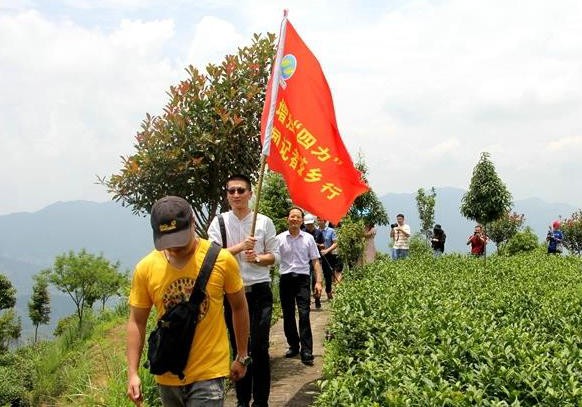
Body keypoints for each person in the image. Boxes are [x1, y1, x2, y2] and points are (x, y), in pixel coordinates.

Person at [127, 196, 250, 407]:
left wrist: (241, 355)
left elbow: (239, 306)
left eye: (180, 238)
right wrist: (133, 373)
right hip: (167, 371)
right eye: (168, 240)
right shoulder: (146, 269)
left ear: (193, 223)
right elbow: (136, 321)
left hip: (209, 372)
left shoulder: (221, 260)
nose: (175, 247)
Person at [207, 174, 279, 407]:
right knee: (240, 347)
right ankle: (241, 400)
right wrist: (241, 247)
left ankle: (260, 401)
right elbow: (213, 256)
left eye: (241, 190)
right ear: (227, 195)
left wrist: (257, 258)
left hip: (258, 291)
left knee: (259, 346)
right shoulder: (219, 222)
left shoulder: (264, 222)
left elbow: (274, 256)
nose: (236, 195)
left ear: (250, 193)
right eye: (231, 191)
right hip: (232, 293)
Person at [277, 208, 324, 366]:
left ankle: (307, 350)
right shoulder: (280, 238)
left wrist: (318, 281)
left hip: (303, 279)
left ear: (302, 221)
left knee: (304, 315)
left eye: (298, 217)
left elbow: (315, 261)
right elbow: (272, 257)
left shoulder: (309, 239)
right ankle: (293, 345)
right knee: (288, 314)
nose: (295, 219)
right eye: (292, 216)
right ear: (287, 219)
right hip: (285, 279)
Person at [303, 214, 324, 309]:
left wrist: (316, 244)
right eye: (307, 224)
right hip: (305, 260)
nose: (309, 226)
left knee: (315, 281)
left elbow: (323, 245)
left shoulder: (319, 233)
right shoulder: (302, 233)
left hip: (316, 259)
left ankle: (317, 300)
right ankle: (306, 301)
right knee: (306, 281)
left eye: (310, 224)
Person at [316, 217, 337, 299]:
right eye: (317, 220)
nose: (318, 221)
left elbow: (335, 243)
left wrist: (327, 250)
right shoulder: (315, 231)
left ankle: (328, 291)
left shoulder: (331, 231)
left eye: (320, 220)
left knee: (328, 275)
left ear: (325, 221)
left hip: (327, 255)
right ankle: (317, 293)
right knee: (316, 274)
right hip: (316, 255)